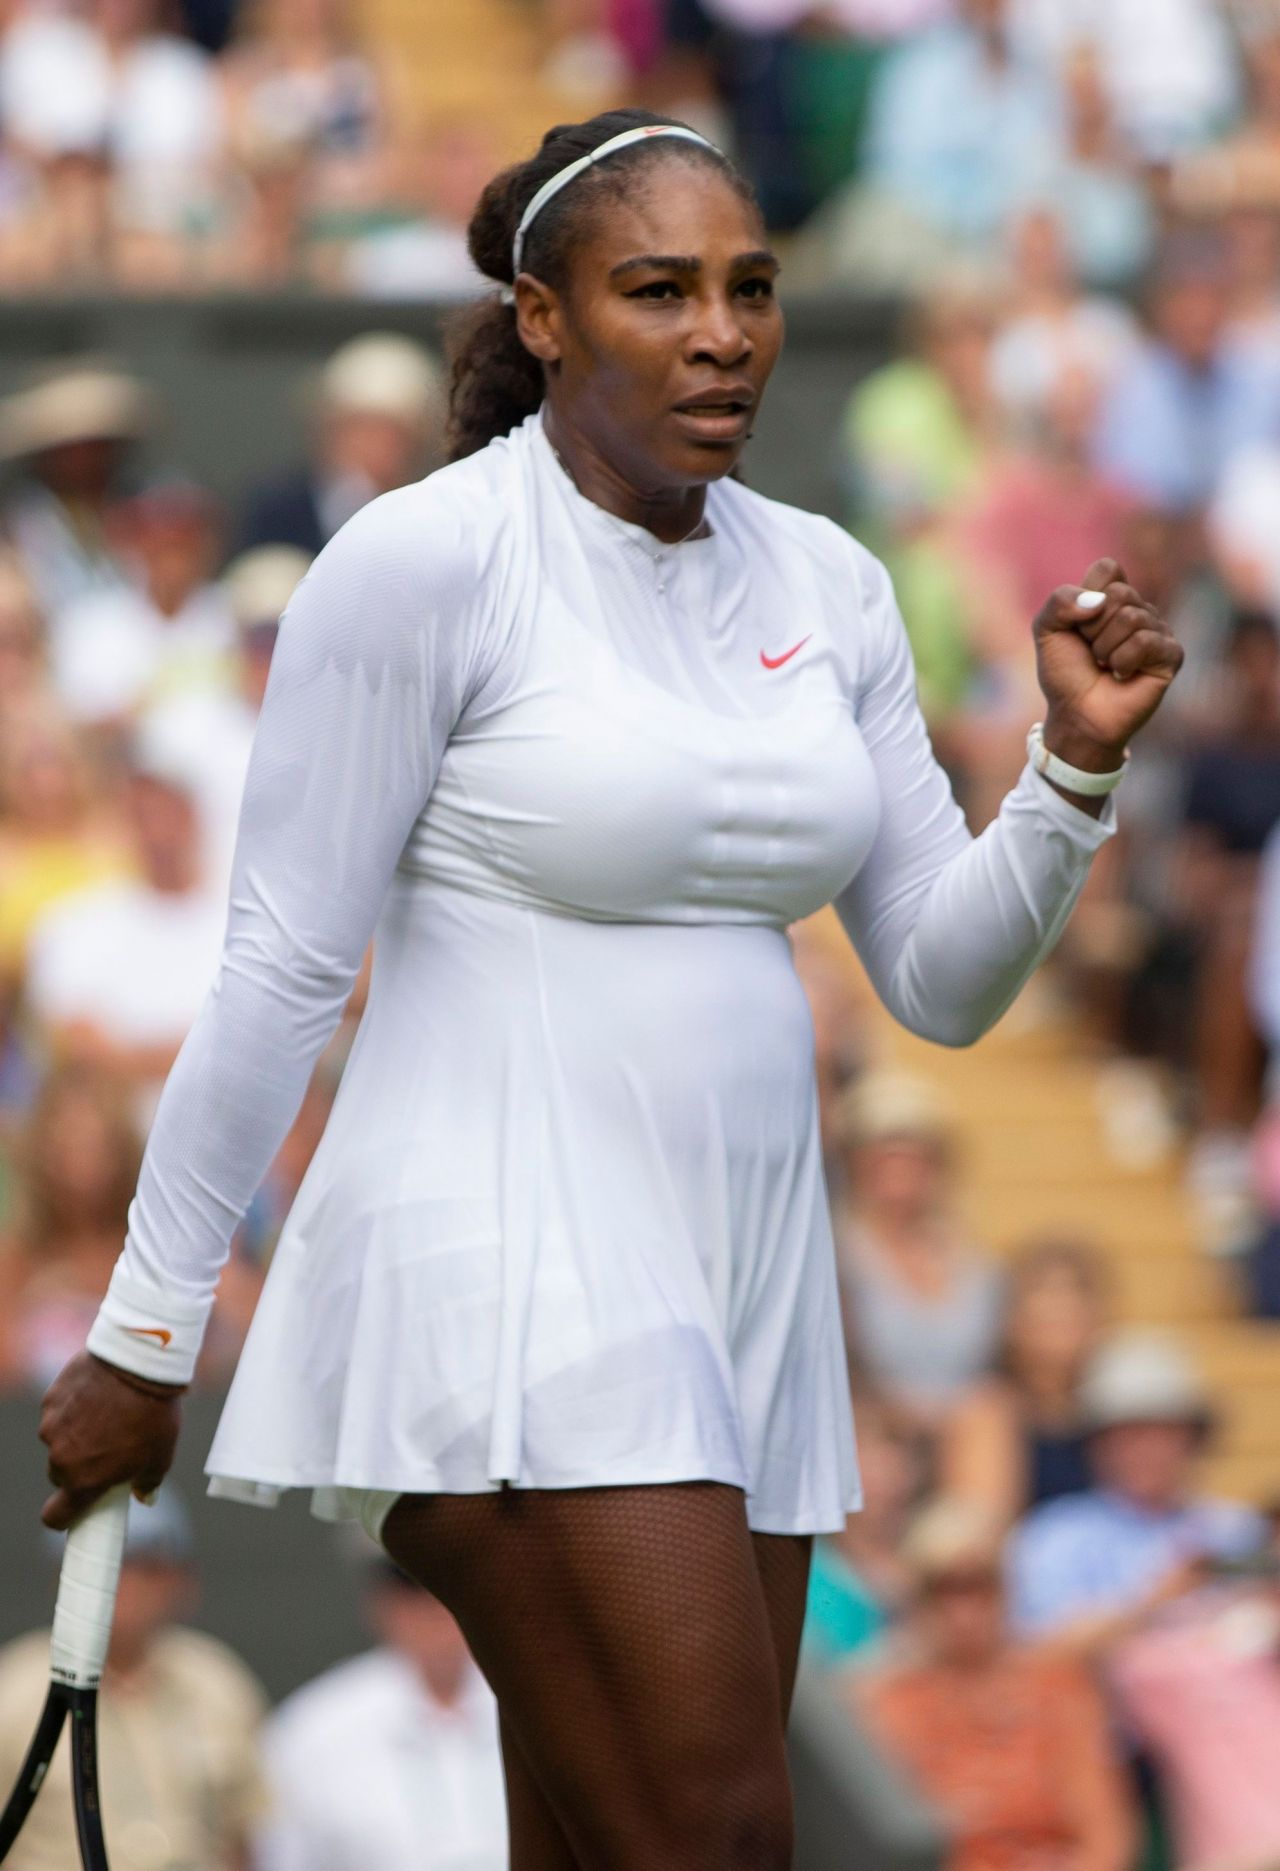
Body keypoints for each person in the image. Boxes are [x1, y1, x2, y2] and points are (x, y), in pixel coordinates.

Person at [37, 108, 1182, 1868]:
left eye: (749, 287)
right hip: (500, 1260)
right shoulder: (422, 561)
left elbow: (941, 982)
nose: (721, 330)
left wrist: (1070, 775)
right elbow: (278, 962)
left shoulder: (833, 578)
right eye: (659, 290)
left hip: (742, 1286)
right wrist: (145, 1326)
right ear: (547, 318)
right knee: (719, 1838)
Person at [852, 1497, 1137, 1871]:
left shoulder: (1056, 1688)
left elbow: (1105, 1837)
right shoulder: (886, 1700)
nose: (963, 1613)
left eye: (979, 1587)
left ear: (1005, 1590)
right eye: (944, 1591)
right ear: (918, 1600)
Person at [0, 1485, 267, 1871]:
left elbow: (244, 1836)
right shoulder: (12, 1691)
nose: (123, 1585)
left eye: (145, 1565)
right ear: (62, 1578)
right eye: (105, 1565)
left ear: (181, 1579)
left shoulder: (216, 1682)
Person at [1009, 1329, 1266, 1656]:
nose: (1146, 1450)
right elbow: (1037, 1658)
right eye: (1128, 1435)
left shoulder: (1237, 1529)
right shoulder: (1053, 1536)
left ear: (1192, 1437)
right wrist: (1156, 1602)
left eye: (1163, 1433)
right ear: (1097, 1444)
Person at [259, 1547, 508, 1870]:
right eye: (412, 1585)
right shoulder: (313, 1729)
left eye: (453, 1583)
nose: (435, 1606)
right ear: (379, 1600)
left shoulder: (543, 1713)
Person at [832, 1070, 1005, 1434]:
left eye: (915, 1156)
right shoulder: (838, 1255)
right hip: (869, 1426)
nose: (901, 1171)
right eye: (886, 1155)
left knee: (989, 1413)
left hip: (964, 1427)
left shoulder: (977, 1261)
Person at [940, 1237, 1108, 1526]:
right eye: (1043, 1291)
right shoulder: (987, 1412)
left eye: (1075, 1291)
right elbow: (979, 1535)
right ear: (1012, 1320)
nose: (1060, 1306)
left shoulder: (1112, 1410)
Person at [233, 331, 443, 555]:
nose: (372, 446)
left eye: (390, 433)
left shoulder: (437, 513)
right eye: (359, 428)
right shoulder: (276, 508)